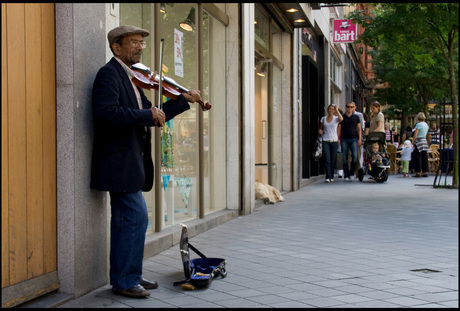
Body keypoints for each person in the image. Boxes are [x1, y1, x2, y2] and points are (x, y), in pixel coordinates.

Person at [90, 25, 203, 298]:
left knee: (127, 222)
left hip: (131, 163)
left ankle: (129, 275)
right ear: (116, 47)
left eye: (141, 42)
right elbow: (107, 113)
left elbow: (155, 114)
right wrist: (145, 115)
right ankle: (125, 280)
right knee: (135, 219)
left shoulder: (133, 79)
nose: (140, 47)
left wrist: (182, 100)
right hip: (119, 163)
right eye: (133, 42)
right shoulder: (109, 75)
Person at [318, 104, 343, 183]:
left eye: (332, 109)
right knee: (327, 159)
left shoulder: (336, 119)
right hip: (325, 140)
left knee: (332, 160)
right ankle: (327, 177)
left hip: (334, 141)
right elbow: (321, 128)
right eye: (329, 109)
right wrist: (320, 131)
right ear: (327, 110)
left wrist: (337, 110)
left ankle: (331, 175)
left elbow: (341, 119)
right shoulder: (323, 118)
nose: (331, 111)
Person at [339, 101, 362, 181]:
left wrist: (360, 139)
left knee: (355, 156)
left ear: (354, 108)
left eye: (351, 107)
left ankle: (352, 172)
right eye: (348, 107)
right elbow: (339, 127)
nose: (349, 108)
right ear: (346, 107)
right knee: (345, 157)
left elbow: (359, 129)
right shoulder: (342, 116)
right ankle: (346, 174)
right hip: (344, 138)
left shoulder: (356, 117)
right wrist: (338, 138)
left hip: (354, 139)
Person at [412, 112, 430, 177]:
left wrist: (413, 141)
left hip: (419, 141)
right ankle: (425, 171)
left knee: (418, 157)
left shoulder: (418, 125)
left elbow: (415, 134)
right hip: (424, 141)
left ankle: (418, 171)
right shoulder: (426, 125)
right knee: (424, 156)